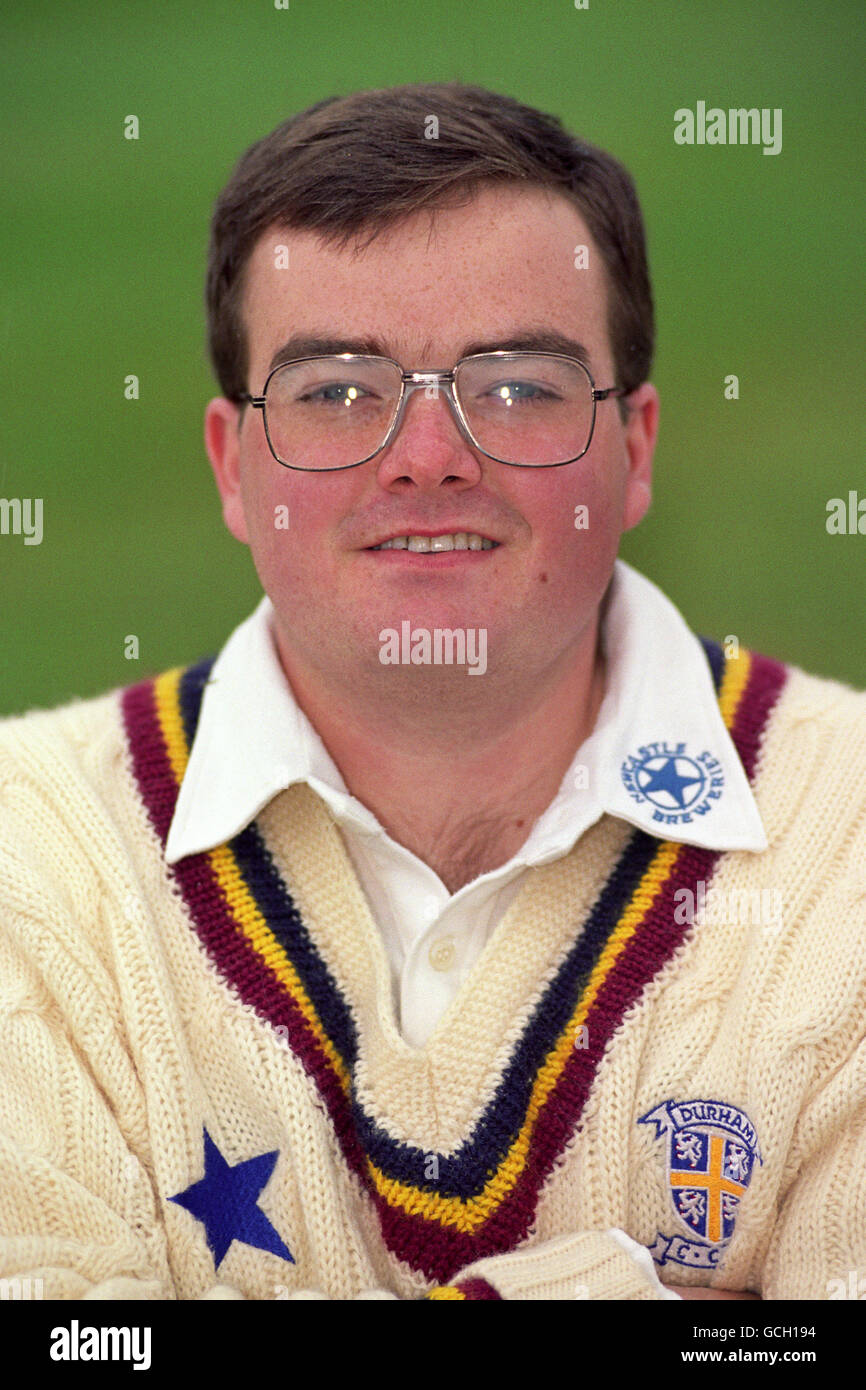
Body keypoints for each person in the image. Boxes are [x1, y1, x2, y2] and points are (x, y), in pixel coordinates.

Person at [0, 82, 864, 1302]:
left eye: (516, 385)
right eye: (336, 389)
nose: (426, 456)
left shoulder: (853, 842)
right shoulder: (26, 855)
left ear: (637, 450)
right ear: (230, 466)